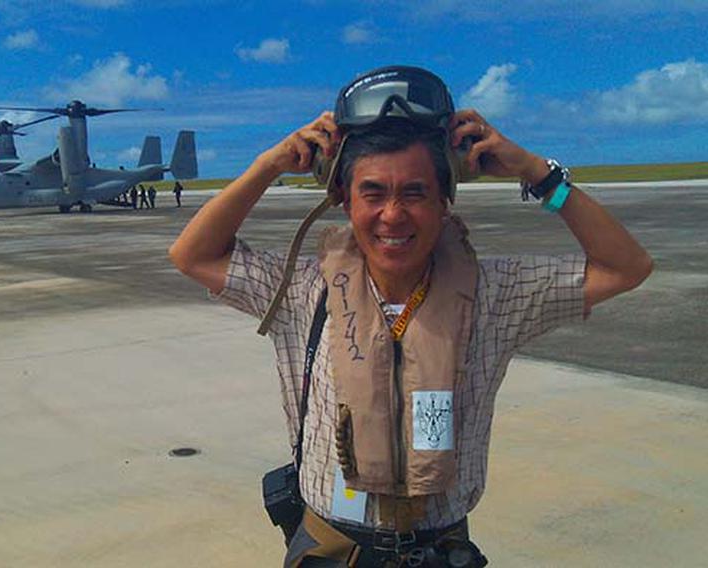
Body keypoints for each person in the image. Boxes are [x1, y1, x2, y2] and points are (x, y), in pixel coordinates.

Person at [169, 66, 652, 567]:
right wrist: (268, 165)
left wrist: (538, 172)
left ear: (446, 202)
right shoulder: (301, 289)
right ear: (343, 200)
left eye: (416, 193)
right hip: (330, 548)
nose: (393, 215)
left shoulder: (496, 293)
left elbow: (626, 267)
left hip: (440, 548)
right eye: (373, 193)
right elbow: (193, 255)